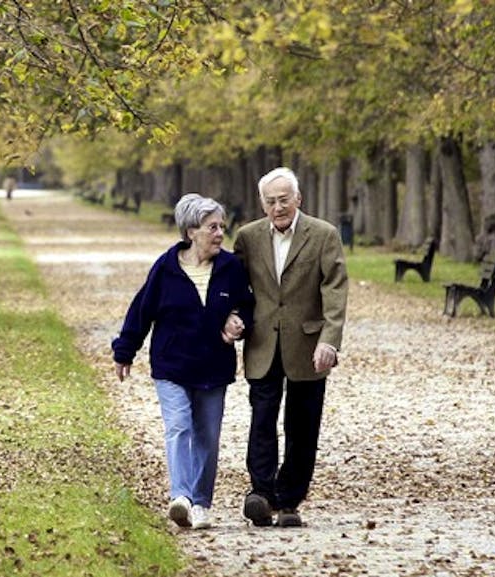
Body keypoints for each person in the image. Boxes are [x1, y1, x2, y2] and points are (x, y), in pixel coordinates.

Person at [112, 193, 255, 530]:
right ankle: (181, 497)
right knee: (179, 427)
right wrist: (124, 350)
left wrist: (238, 319)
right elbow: (141, 310)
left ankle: (201, 503)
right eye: (212, 227)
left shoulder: (231, 268)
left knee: (207, 436)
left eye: (222, 226)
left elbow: (249, 306)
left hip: (213, 366)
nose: (220, 233)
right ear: (191, 231)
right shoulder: (166, 267)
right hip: (172, 364)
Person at [232, 167, 349, 528]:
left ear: (298, 199)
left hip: (309, 344)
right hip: (263, 342)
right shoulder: (248, 237)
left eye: (284, 199)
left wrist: (330, 340)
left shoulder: (324, 235)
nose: (278, 207)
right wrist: (232, 316)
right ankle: (262, 494)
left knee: (303, 424)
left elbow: (335, 289)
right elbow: (236, 286)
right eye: (271, 201)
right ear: (262, 204)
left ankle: (289, 500)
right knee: (262, 419)